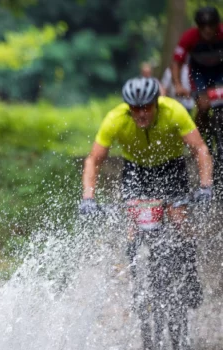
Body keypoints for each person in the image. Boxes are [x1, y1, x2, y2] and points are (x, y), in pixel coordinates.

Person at [79, 77, 213, 308]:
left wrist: (205, 186)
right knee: (133, 225)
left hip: (171, 166)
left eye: (146, 107)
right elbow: (94, 159)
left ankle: (190, 275)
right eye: (135, 108)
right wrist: (88, 198)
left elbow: (200, 148)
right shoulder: (115, 119)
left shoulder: (174, 112)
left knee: (179, 218)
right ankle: (137, 284)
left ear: (156, 104)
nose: (140, 113)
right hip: (136, 170)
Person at [171, 6, 223, 138]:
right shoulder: (189, 37)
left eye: (211, 26)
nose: (208, 30)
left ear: (217, 25)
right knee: (204, 106)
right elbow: (176, 62)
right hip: (199, 73)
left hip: (220, 71)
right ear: (198, 26)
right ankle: (197, 140)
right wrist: (177, 84)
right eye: (203, 26)